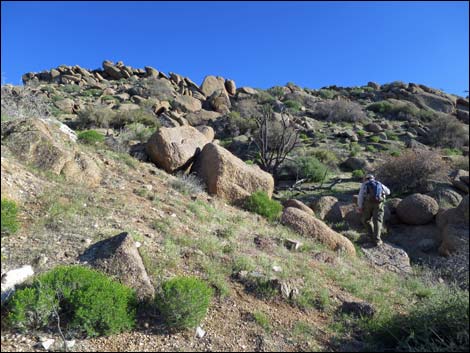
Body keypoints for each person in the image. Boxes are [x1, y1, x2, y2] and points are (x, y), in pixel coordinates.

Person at [358, 174, 390, 246]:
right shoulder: (379, 183)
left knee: (365, 220)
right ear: (373, 178)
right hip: (379, 204)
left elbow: (360, 196)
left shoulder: (364, 184)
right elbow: (388, 192)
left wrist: (360, 206)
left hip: (368, 204)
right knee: (377, 221)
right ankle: (377, 240)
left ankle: (371, 236)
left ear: (366, 179)